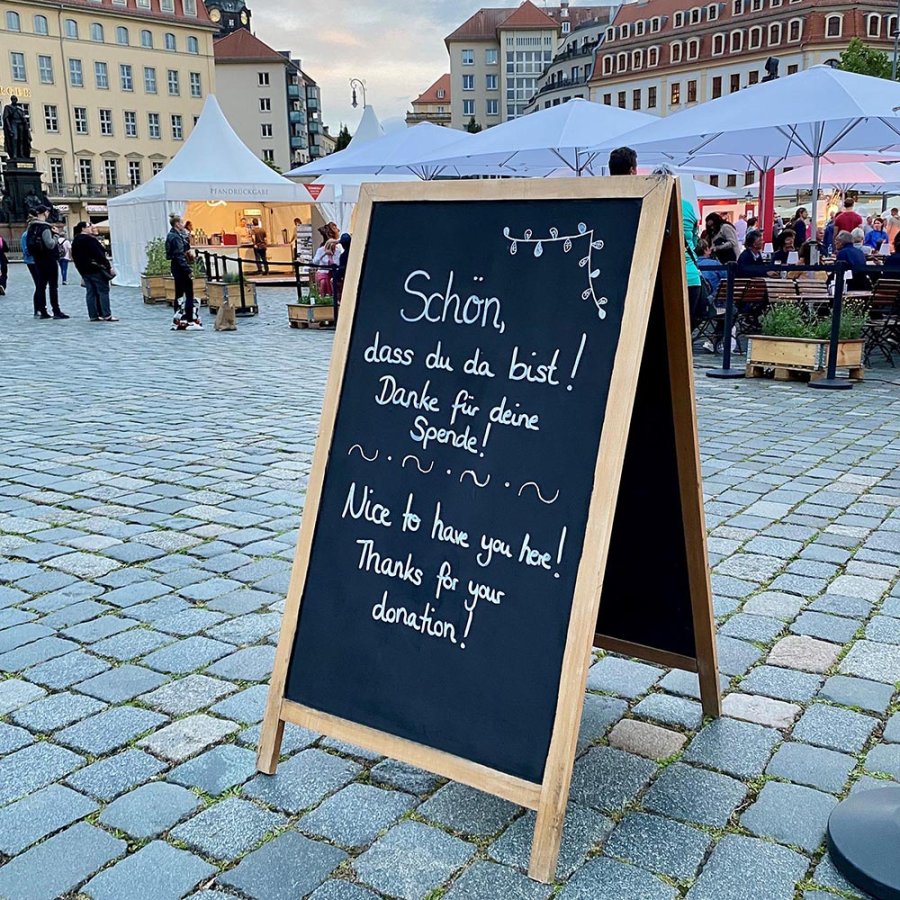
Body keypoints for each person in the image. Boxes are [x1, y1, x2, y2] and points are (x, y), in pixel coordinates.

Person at [26, 206, 68, 319]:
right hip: (49, 259)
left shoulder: (31, 227)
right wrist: (56, 235)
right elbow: (50, 244)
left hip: (38, 259)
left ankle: (43, 311)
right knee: (53, 286)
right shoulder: (44, 227)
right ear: (44, 213)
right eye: (47, 211)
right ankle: (56, 310)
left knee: (41, 286)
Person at [72, 221, 117, 321]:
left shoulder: (75, 240)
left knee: (91, 293)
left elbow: (74, 257)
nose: (91, 228)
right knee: (103, 291)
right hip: (96, 269)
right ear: (83, 228)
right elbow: (99, 254)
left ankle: (93, 315)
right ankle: (107, 314)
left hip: (84, 270)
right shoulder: (89, 240)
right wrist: (107, 266)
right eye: (88, 226)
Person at [165, 213, 201, 330]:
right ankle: (189, 319)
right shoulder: (175, 237)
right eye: (181, 223)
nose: (182, 225)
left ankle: (178, 318)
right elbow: (180, 255)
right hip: (180, 267)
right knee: (189, 293)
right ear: (177, 224)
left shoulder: (173, 235)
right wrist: (188, 269)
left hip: (176, 266)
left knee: (179, 293)